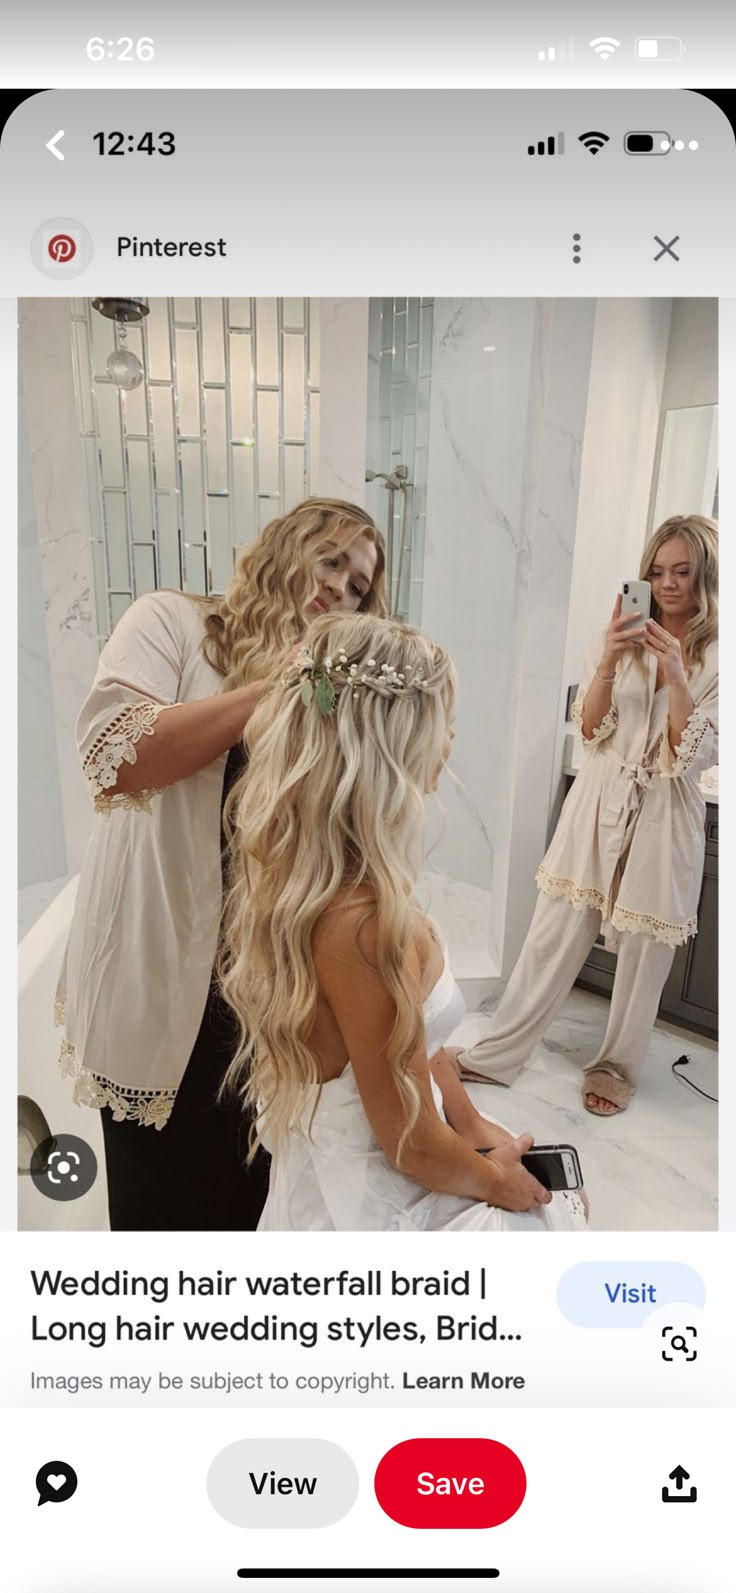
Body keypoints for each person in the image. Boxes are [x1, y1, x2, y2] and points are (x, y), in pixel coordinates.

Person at [56, 498, 387, 1229]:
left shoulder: (323, 706)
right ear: (286, 546)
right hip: (159, 969)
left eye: (359, 586)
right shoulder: (172, 623)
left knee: (247, 1195)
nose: (340, 586)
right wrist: (276, 688)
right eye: (331, 559)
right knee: (160, 1202)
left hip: (262, 991)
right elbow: (116, 756)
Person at [220, 612, 587, 1232]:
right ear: (398, 739)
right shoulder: (363, 925)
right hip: (371, 1198)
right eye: (445, 722)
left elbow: (412, 1046)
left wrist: (468, 1123)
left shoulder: (328, 883)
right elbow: (411, 1145)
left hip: (365, 1160)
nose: (450, 741)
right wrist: (500, 1182)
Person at [459, 514, 718, 1115]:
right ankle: (499, 1050)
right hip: (600, 795)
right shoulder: (623, 634)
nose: (669, 583)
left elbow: (691, 756)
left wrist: (677, 673)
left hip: (665, 808)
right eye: (657, 571)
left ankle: (615, 1066)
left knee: (643, 954)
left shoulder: (718, 657)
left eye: (682, 571)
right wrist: (609, 655)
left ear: (705, 575)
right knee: (554, 929)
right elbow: (591, 727)